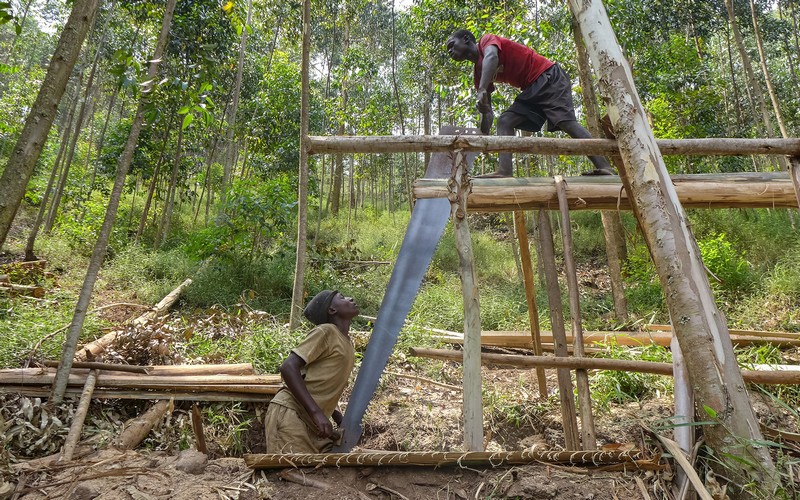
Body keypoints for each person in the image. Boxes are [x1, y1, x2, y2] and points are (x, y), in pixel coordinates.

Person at [446, 29, 614, 177]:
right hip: (531, 88)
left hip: (548, 75)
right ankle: (505, 171)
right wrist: (483, 113)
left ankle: (605, 167)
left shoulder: (486, 41)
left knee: (566, 122)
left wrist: (482, 89)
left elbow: (492, 56)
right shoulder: (478, 75)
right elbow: (488, 117)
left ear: (466, 39)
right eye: (449, 51)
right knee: (505, 121)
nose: (451, 52)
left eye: (452, 45)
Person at [264, 289, 360, 453]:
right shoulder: (326, 331)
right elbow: (288, 367)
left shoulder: (346, 342)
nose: (350, 298)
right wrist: (317, 413)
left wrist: (335, 415)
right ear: (332, 310)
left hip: (313, 424)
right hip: (292, 415)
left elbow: (319, 380)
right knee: (291, 474)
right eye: (342, 297)